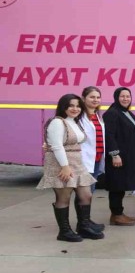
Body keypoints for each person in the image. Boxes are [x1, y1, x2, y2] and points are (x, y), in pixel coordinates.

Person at [37, 94, 103, 241]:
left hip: (77, 163)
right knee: (64, 198)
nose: (75, 109)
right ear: (63, 107)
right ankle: (64, 232)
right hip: (62, 164)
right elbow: (57, 146)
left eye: (78, 106)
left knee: (86, 195)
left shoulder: (74, 121)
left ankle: (84, 226)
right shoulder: (57, 122)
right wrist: (65, 167)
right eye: (71, 105)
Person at [103, 87, 135, 226]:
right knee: (116, 186)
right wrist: (115, 154)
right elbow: (109, 135)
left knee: (121, 186)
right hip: (117, 158)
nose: (126, 99)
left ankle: (117, 214)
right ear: (116, 97)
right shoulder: (112, 113)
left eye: (128, 96)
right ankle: (117, 215)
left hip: (127, 157)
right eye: (122, 96)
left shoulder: (126, 113)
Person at [77, 86, 106, 231]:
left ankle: (86, 221)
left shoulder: (97, 116)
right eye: (92, 97)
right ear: (84, 99)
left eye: (98, 97)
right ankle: (82, 224)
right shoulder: (79, 117)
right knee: (84, 193)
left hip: (96, 159)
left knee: (90, 192)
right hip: (84, 161)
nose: (95, 100)